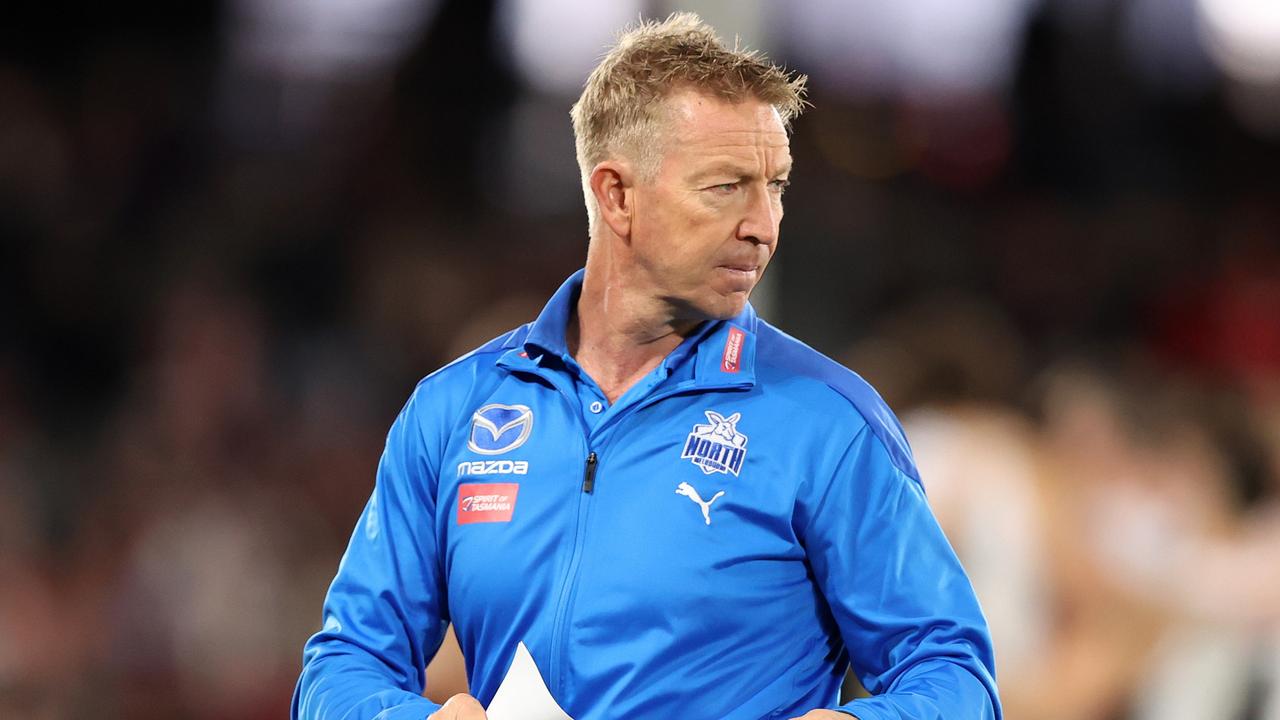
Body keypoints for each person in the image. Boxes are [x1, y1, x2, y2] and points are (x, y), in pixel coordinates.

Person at [292, 13, 1000, 720]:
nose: (764, 223)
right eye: (726, 187)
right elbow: (343, 665)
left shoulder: (828, 423)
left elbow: (955, 676)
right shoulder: (455, 410)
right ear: (617, 194)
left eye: (776, 186)